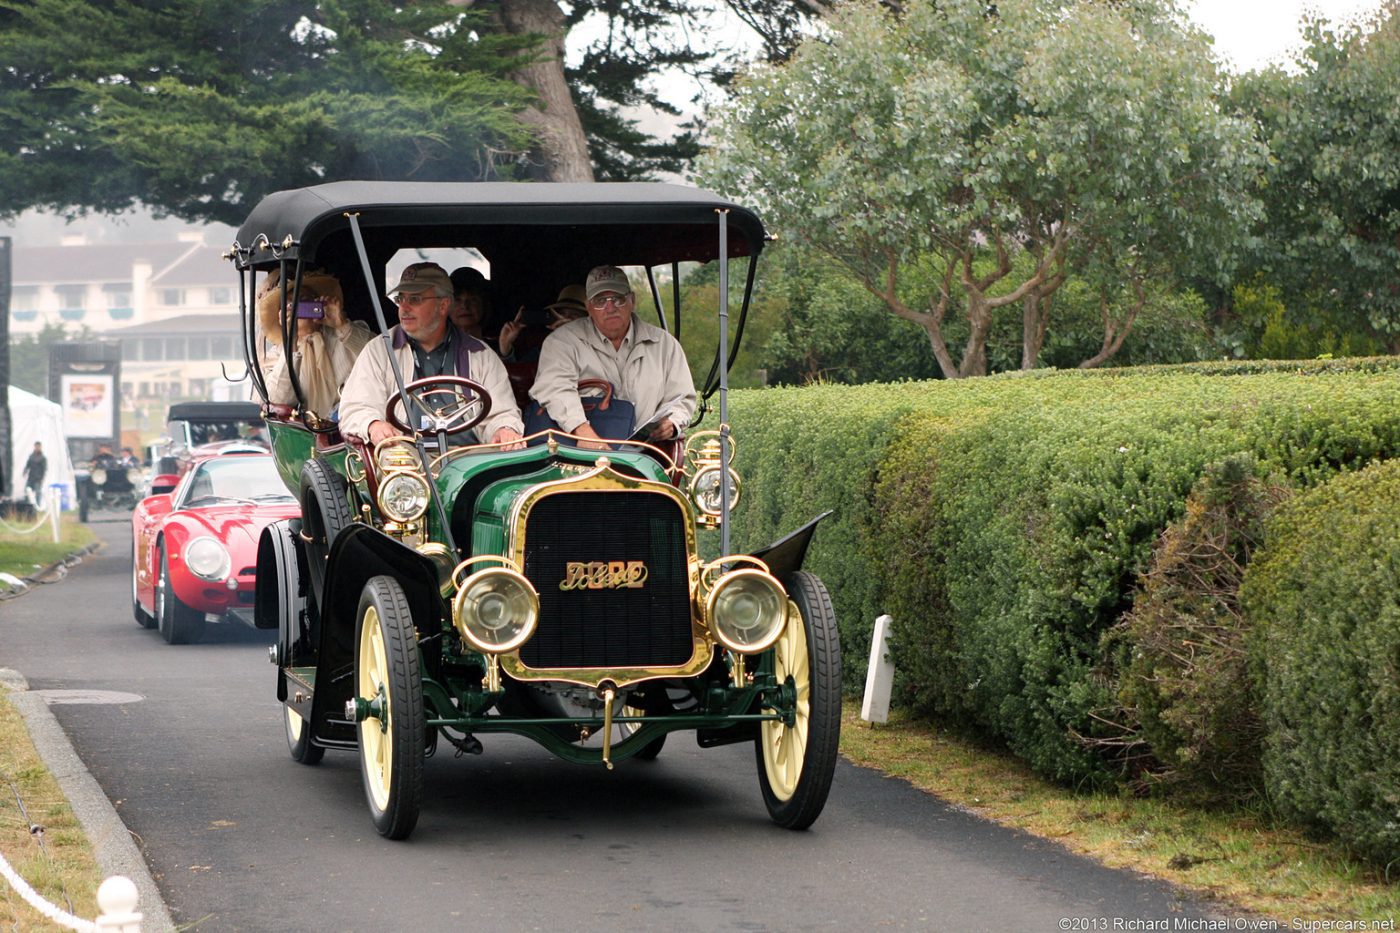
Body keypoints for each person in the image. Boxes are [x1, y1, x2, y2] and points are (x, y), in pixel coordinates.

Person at [339, 262, 525, 448]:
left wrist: (504, 429)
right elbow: (356, 407)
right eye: (401, 299)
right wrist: (373, 424)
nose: (404, 308)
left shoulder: (480, 353)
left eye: (415, 299)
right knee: (395, 469)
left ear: (443, 305)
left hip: (470, 458)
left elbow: (502, 412)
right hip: (404, 457)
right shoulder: (379, 350)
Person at [529, 265, 694, 448]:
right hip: (573, 455)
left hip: (644, 456)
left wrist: (672, 423)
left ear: (632, 301)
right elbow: (554, 389)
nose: (610, 307)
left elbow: (683, 398)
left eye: (617, 299)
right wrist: (582, 432)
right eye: (600, 300)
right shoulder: (561, 342)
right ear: (589, 307)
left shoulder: (664, 344)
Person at [261, 269, 373, 419]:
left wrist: (341, 325)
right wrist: (291, 342)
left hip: (350, 429)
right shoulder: (275, 355)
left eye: (304, 299)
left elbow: (382, 357)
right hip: (303, 434)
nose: (296, 307)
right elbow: (279, 400)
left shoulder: (344, 335)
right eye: (288, 303)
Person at [448, 267, 491, 341]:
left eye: (473, 299)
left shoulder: (502, 347)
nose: (465, 306)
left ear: (484, 305)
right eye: (457, 300)